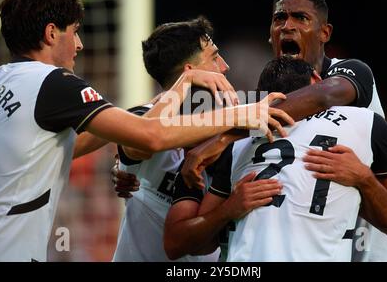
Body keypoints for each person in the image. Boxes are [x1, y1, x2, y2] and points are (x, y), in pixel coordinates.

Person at [0, 0, 291, 262]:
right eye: (75, 31)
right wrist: (241, 113)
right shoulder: (55, 83)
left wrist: (155, 112)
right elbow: (149, 138)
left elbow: (72, 145)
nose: (79, 44)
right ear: (51, 33)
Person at [181, 0, 387, 261]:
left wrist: (224, 137)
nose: (287, 26)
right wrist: (129, 163)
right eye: (279, 19)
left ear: (325, 33)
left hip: (372, 245)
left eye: (300, 18)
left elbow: (324, 95)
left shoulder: (348, 73)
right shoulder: (262, 101)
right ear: (270, 33)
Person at [164, 57, 387, 261]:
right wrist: (364, 178)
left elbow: (186, 245)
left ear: (260, 99)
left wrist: (228, 210)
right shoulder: (365, 123)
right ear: (316, 79)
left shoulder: (237, 144)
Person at [112, 16, 277, 261]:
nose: (224, 66)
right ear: (190, 72)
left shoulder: (235, 118)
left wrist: (224, 138)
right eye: (213, 57)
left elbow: (288, 111)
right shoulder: (141, 118)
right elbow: (144, 137)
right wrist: (185, 84)